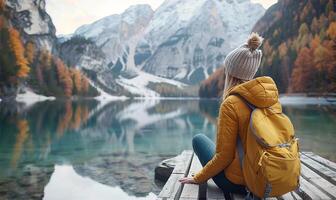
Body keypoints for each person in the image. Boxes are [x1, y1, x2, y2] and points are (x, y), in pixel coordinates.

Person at [179, 32, 281, 194]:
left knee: (199, 139)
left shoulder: (231, 103)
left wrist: (198, 178)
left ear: (231, 72)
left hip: (240, 184)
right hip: (269, 178)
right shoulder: (269, 100)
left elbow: (224, 157)